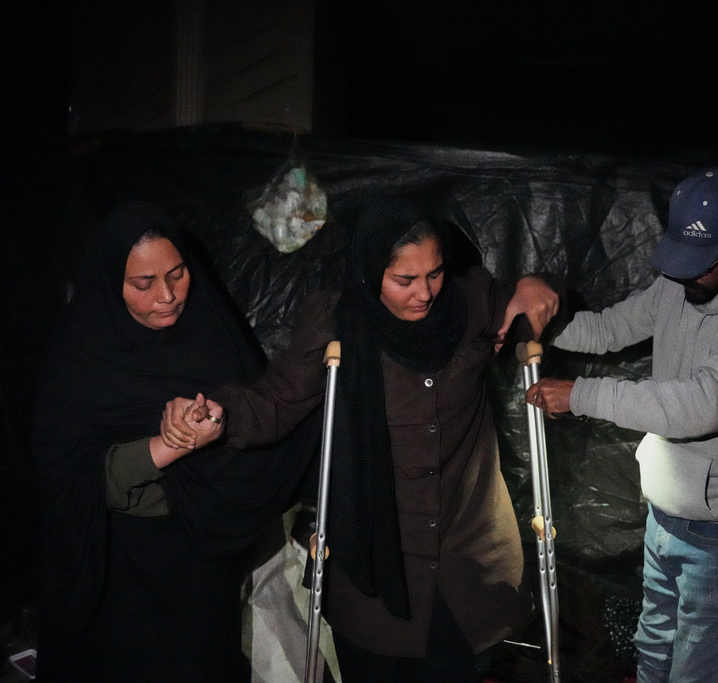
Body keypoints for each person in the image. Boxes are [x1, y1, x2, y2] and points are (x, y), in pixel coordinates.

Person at [162, 197, 561, 682]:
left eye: (433, 274)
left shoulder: (472, 300)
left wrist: (535, 285)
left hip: (470, 560)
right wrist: (219, 414)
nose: (425, 293)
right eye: (405, 281)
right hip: (372, 562)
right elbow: (279, 399)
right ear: (372, 273)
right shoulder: (337, 322)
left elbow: (533, 309)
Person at [525, 167, 718, 682]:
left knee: (700, 673)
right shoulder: (683, 285)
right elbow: (611, 329)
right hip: (666, 517)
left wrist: (583, 395)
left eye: (700, 264)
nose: (683, 277)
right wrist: (542, 318)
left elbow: (702, 405)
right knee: (653, 652)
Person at [31, 201, 317, 682]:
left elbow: (264, 420)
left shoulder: (213, 332)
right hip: (115, 569)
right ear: (111, 282)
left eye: (178, 274)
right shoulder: (78, 360)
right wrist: (174, 442)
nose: (167, 296)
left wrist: (224, 420)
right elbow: (73, 479)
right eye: (143, 284)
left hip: (198, 565)